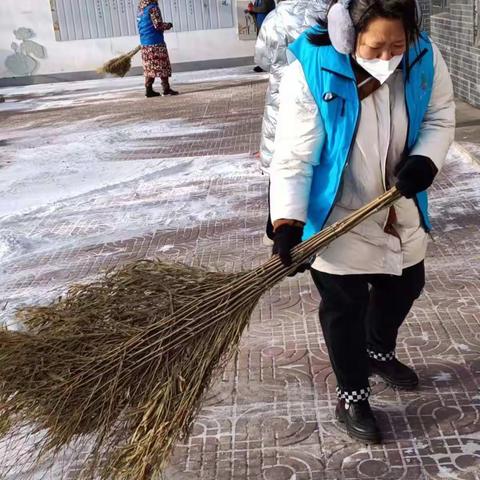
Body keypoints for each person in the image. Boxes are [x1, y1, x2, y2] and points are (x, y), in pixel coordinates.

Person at [269, 0, 455, 443]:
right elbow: (294, 156)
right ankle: (352, 393)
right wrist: (288, 223)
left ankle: (377, 349)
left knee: (406, 283)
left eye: (397, 44)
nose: (388, 58)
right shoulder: (313, 70)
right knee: (344, 308)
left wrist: (425, 159)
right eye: (375, 47)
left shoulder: (424, 57)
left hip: (397, 203)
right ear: (348, 35)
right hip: (336, 211)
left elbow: (439, 115)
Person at [254, 0, 329, 242]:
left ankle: (277, 226)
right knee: (315, 161)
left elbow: (263, 59)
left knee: (284, 162)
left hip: (280, 100)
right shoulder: (330, 11)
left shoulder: (276, 17)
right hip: (320, 97)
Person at [137, 0, 178, 97]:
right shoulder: (153, 8)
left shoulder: (141, 9)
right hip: (156, 42)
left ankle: (149, 89)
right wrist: (168, 25)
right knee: (162, 65)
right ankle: (166, 89)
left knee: (149, 67)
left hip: (145, 43)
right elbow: (158, 25)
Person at [246, 0, 276, 71]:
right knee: (261, 47)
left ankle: (269, 65)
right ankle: (262, 65)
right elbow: (258, 10)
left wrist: (252, 8)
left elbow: (264, 8)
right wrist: (250, 11)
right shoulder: (257, 1)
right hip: (260, 26)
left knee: (268, 46)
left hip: (267, 25)